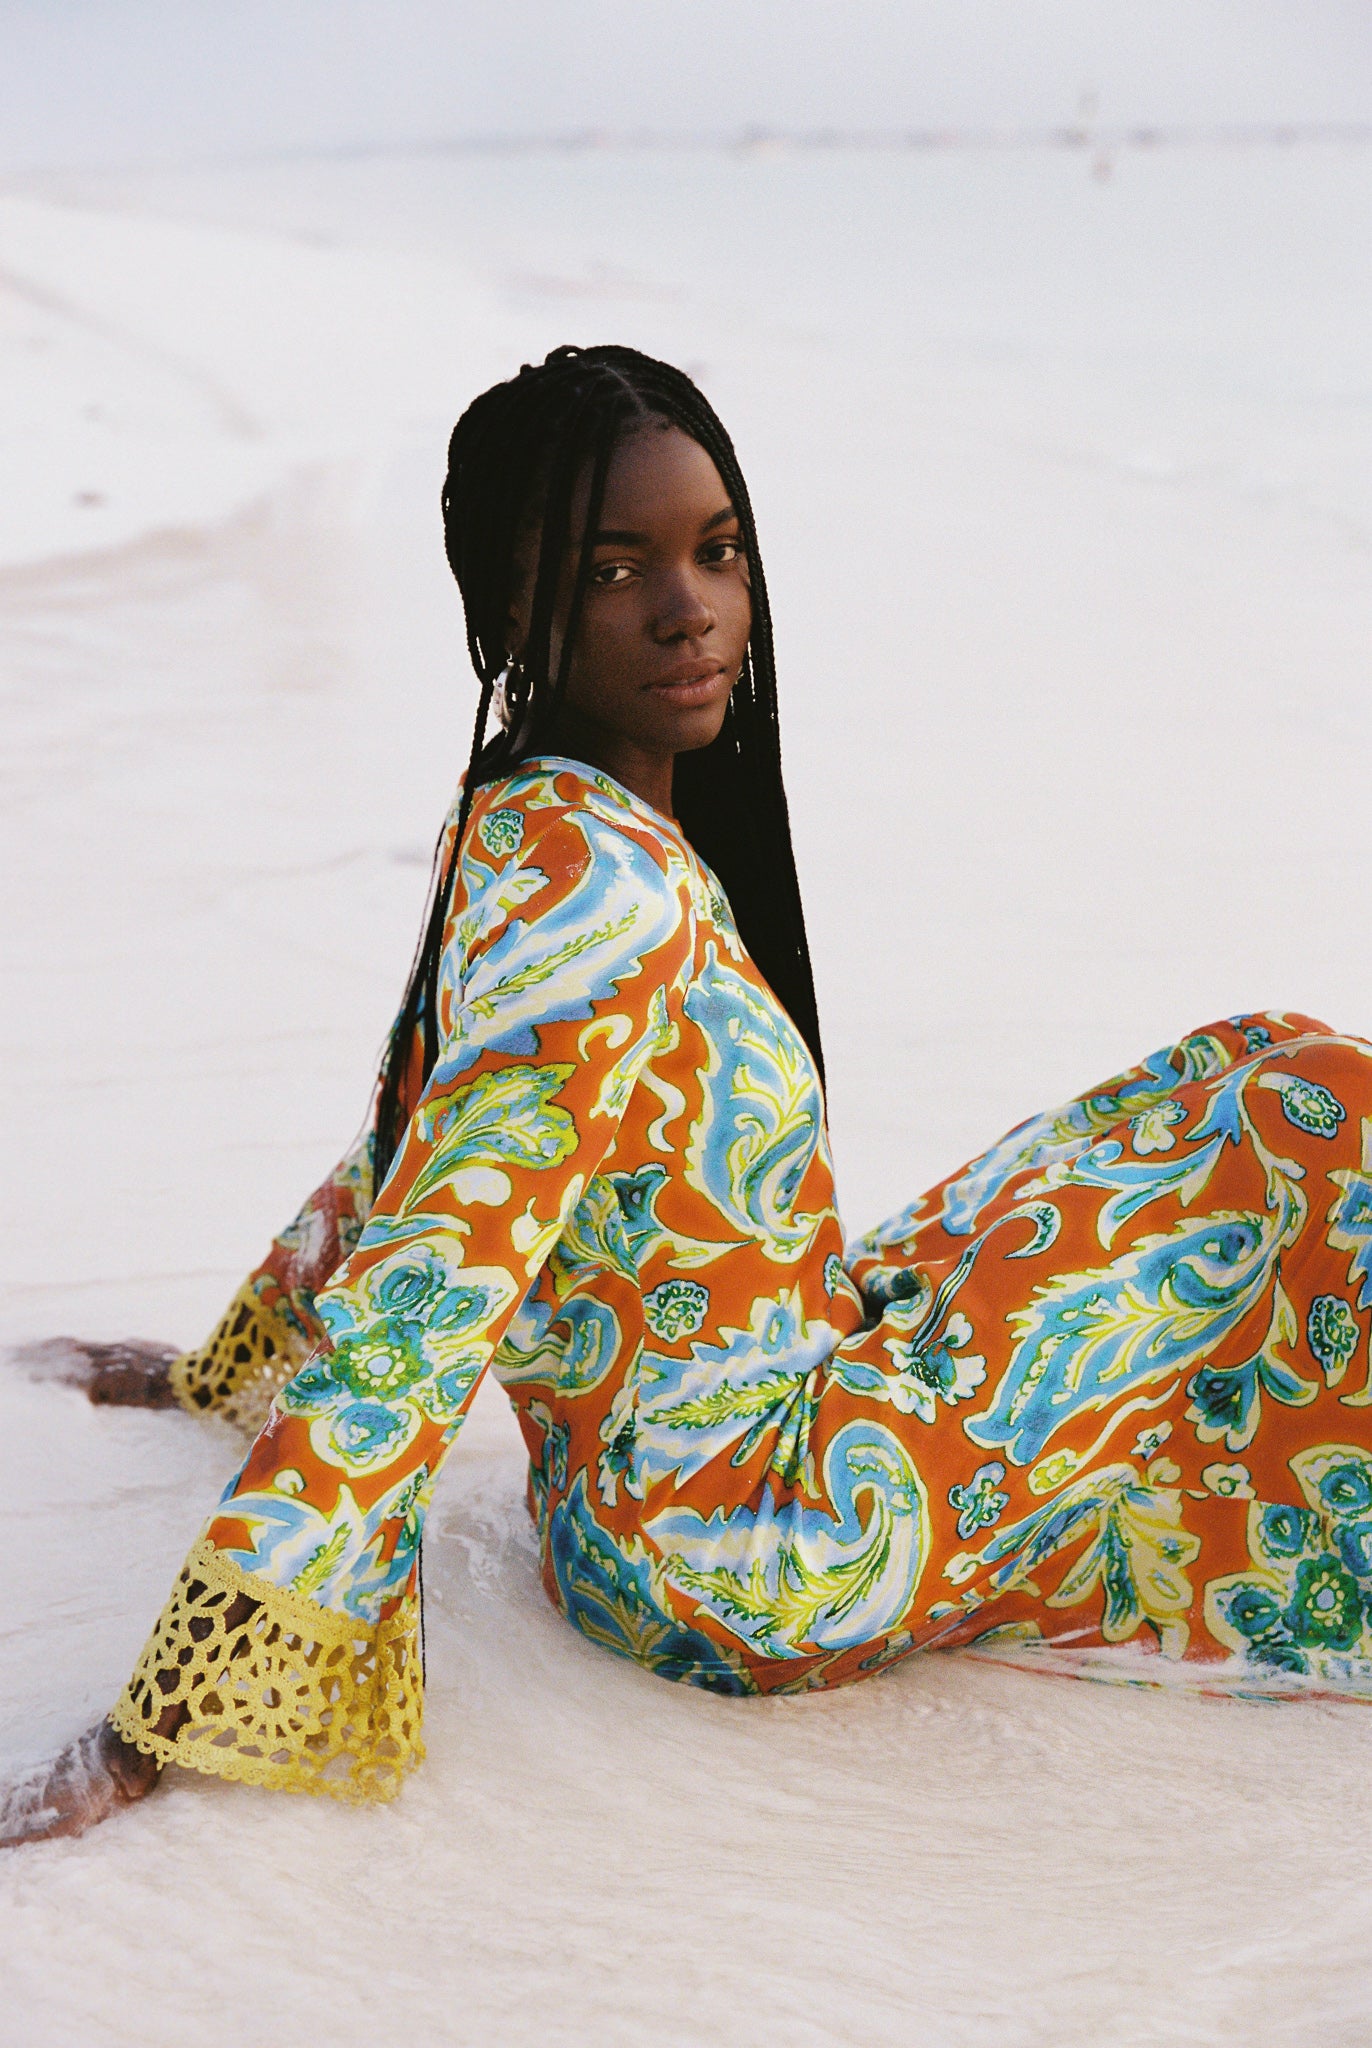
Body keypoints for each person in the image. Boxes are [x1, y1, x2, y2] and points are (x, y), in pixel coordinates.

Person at [7, 343, 1372, 1847]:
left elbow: (396, 1147)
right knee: (1307, 1106)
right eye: (615, 571)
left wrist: (219, 1372)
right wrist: (162, 1716)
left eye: (717, 553)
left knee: (1244, 1057)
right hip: (761, 1546)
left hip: (647, 1496)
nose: (691, 609)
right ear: (510, 609)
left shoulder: (529, 822)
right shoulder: (602, 903)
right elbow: (435, 1270)